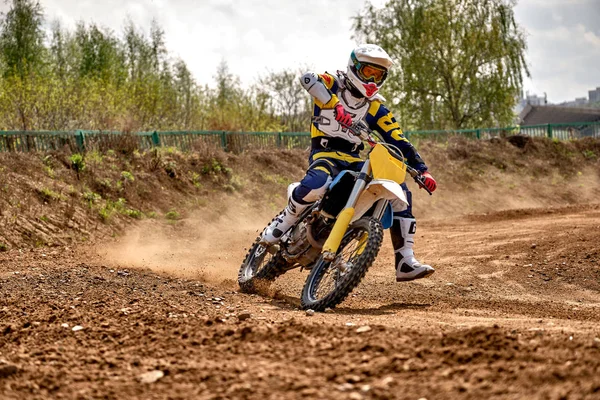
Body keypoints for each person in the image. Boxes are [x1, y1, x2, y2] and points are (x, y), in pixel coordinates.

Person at [261, 44, 437, 282]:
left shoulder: (376, 107)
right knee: (317, 183)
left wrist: (422, 170)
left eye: (379, 75)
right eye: (368, 72)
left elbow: (398, 138)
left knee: (399, 192)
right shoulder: (333, 83)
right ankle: (286, 220)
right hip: (326, 153)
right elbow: (307, 78)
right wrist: (335, 105)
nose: (373, 80)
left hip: (355, 160)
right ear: (354, 68)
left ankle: (405, 260)